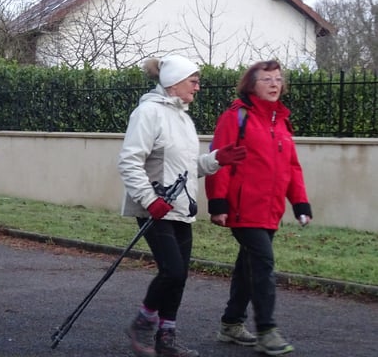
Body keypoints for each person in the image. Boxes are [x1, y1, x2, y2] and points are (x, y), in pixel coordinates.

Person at [117, 55, 247, 357]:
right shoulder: (147, 113)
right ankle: (142, 323)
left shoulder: (183, 118)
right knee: (172, 272)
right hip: (154, 208)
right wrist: (149, 200)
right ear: (174, 82)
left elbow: (186, 168)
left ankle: (166, 339)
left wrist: (216, 160)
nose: (198, 87)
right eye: (194, 81)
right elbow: (129, 162)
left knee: (179, 276)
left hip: (181, 209)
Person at [205, 60, 312, 356]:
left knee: (248, 267)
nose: (274, 84)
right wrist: (218, 203)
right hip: (243, 207)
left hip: (270, 210)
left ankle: (231, 323)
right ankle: (267, 330)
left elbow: (292, 167)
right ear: (251, 85)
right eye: (266, 79)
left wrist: (300, 203)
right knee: (263, 264)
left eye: (278, 78)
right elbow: (220, 159)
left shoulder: (281, 121)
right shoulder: (236, 117)